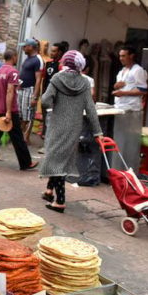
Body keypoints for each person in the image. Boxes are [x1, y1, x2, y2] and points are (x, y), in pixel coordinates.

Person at [40, 50, 103, 212]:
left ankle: (60, 201)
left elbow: (46, 101)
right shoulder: (84, 83)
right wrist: (98, 133)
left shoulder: (57, 78)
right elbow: (91, 110)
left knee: (57, 160)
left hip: (57, 126)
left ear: (65, 63)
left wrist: (53, 105)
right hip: (74, 128)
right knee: (59, 158)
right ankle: (49, 191)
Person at [0, 49, 38, 172]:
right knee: (17, 137)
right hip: (9, 110)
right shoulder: (13, 72)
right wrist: (8, 112)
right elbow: (9, 91)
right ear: (14, 57)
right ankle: (26, 163)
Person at [112, 45, 148, 172]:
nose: (121, 58)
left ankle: (128, 171)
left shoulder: (137, 70)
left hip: (132, 111)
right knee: (119, 141)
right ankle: (117, 170)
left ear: (131, 56)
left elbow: (143, 90)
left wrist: (124, 93)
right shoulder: (122, 71)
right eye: (120, 56)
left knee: (130, 143)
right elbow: (120, 86)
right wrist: (117, 86)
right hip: (120, 108)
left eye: (123, 56)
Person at [18, 38, 43, 144]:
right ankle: (21, 137)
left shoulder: (37, 59)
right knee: (21, 115)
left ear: (31, 47)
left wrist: (35, 96)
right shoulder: (28, 58)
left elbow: (38, 79)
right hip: (22, 89)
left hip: (30, 90)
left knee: (28, 115)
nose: (23, 48)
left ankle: (26, 138)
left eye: (25, 46)